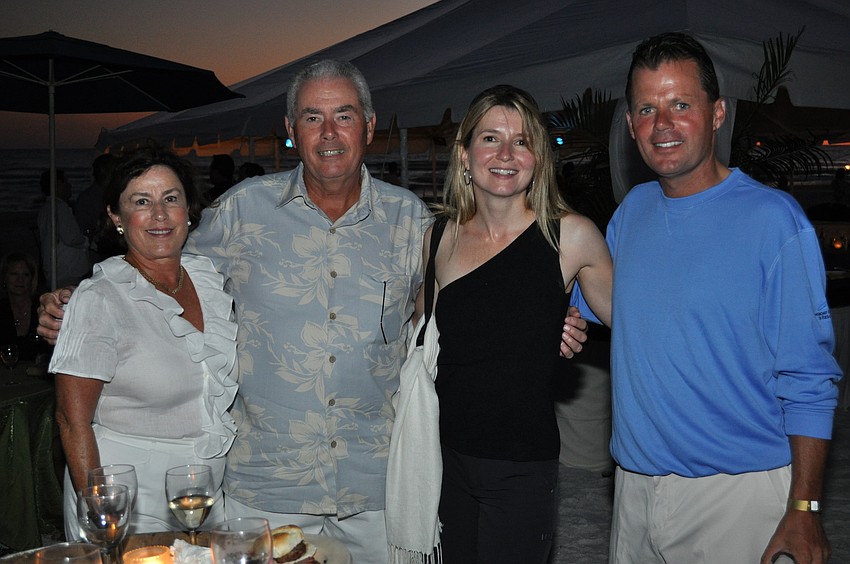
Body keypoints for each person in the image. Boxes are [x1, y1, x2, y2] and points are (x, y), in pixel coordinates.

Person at [38, 60, 589, 564]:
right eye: (312, 117)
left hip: (377, 491)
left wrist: (544, 315)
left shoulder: (413, 222)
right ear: (291, 129)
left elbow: (461, 304)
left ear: (369, 127)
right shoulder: (239, 213)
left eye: (343, 116)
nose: (329, 134)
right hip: (265, 490)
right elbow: (160, 263)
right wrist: (77, 299)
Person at [571, 32, 842, 564]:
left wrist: (805, 509)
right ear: (630, 125)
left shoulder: (773, 220)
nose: (662, 124)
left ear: (717, 114)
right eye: (646, 108)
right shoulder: (632, 212)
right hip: (634, 491)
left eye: (680, 104)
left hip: (736, 496)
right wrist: (563, 316)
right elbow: (603, 308)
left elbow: (810, 378)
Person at [424, 84, 611, 563]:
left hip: (523, 465)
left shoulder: (570, 235)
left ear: (538, 157)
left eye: (522, 141)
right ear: (465, 155)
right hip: (442, 460)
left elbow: (637, 325)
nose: (506, 153)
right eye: (490, 139)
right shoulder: (438, 236)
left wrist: (574, 318)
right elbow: (423, 343)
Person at [49, 145, 238, 539]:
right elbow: (71, 419)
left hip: (204, 495)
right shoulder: (99, 298)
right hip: (125, 498)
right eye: (141, 201)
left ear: (189, 209)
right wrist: (102, 511)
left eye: (171, 198)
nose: (159, 214)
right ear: (116, 217)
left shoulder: (208, 282)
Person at [37, 168, 91, 288]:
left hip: (55, 268)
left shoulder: (45, 209)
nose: (69, 185)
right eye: (66, 182)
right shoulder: (59, 208)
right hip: (66, 270)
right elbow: (72, 238)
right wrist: (86, 240)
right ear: (58, 184)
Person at [0, 252, 49, 361]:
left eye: (26, 274)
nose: (20, 280)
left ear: (32, 279)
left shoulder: (43, 308)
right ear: (4, 278)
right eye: (14, 274)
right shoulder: (2, 309)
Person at [75, 153, 119, 263]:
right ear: (105, 172)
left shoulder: (116, 194)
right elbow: (83, 229)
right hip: (99, 252)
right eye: (113, 169)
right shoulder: (89, 197)